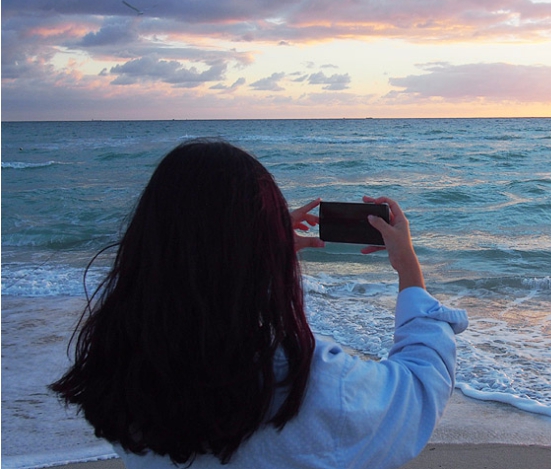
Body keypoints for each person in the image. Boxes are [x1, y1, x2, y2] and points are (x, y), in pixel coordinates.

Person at [51, 138, 468, 468]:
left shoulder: (124, 368)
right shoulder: (305, 384)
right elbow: (415, 392)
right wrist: (408, 267)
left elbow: (202, 292)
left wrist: (257, 253)